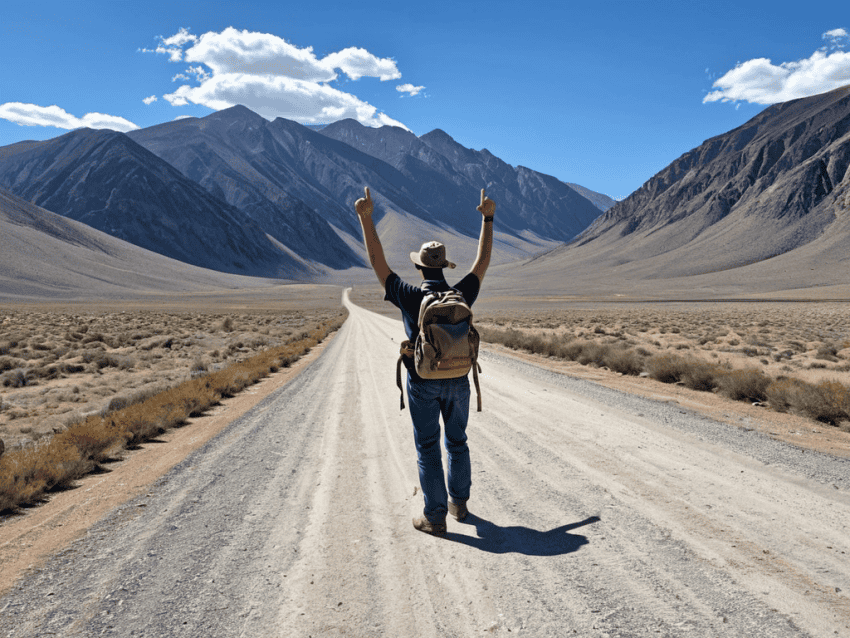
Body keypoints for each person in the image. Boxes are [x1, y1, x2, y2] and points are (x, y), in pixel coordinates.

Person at [354, 186, 495, 535]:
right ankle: (459, 505)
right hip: (459, 376)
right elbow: (483, 261)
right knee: (457, 442)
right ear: (444, 267)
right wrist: (488, 218)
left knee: (428, 446)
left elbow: (377, 262)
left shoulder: (410, 295)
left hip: (423, 381)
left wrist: (365, 218)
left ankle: (434, 518)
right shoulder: (461, 293)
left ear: (419, 268)